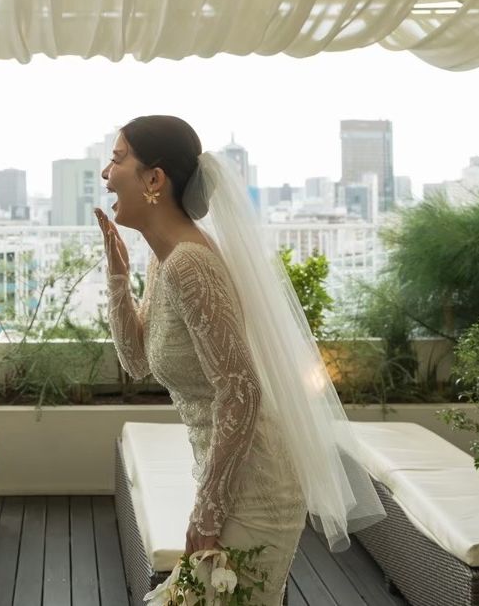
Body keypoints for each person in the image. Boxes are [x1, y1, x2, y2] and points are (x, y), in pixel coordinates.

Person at [96, 115, 382, 605]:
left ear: (154, 179)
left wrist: (207, 511)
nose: (106, 173)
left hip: (255, 489)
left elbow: (241, 390)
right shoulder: (164, 259)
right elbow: (137, 362)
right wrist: (118, 279)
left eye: (117, 159)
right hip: (227, 480)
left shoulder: (190, 264)